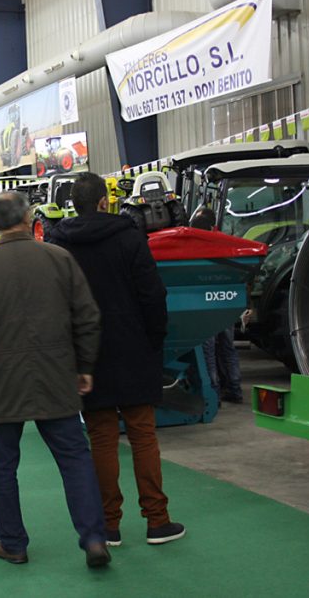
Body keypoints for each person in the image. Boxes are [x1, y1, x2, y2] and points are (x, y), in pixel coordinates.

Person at [0, 191, 111, 569]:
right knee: (74, 459)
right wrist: (84, 366)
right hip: (56, 375)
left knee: (3, 466)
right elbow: (87, 317)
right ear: (28, 217)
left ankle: (13, 543)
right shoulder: (58, 258)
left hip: (0, 381)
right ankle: (94, 538)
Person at [48, 172, 185, 547]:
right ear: (106, 201)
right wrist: (154, 340)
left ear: (73, 204)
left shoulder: (60, 244)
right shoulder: (129, 237)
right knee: (143, 435)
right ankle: (157, 520)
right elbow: (152, 295)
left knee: (101, 439)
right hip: (134, 347)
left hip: (88, 355)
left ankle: (109, 525)